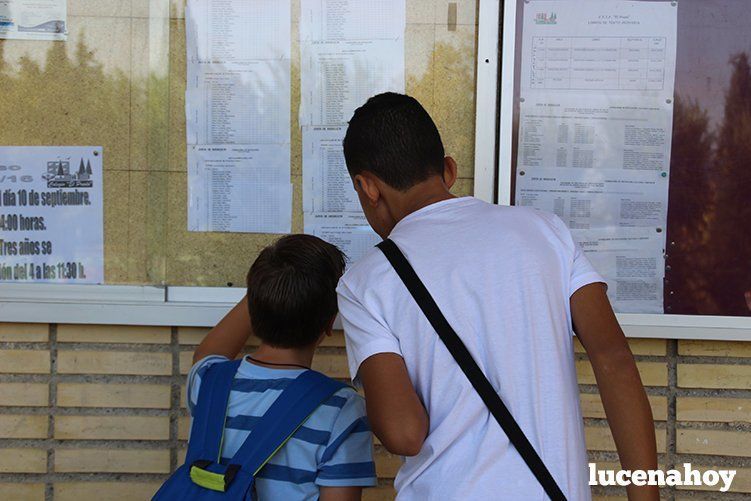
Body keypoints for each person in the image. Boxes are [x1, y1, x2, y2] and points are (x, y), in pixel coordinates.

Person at [335, 92, 658, 500]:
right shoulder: (547, 232)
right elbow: (615, 361)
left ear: (367, 187)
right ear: (449, 170)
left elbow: (404, 434)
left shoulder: (365, 282)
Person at [189, 234, 377, 500]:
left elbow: (209, 351)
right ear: (330, 323)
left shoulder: (208, 382)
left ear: (252, 311)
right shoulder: (342, 410)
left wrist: (268, 286)